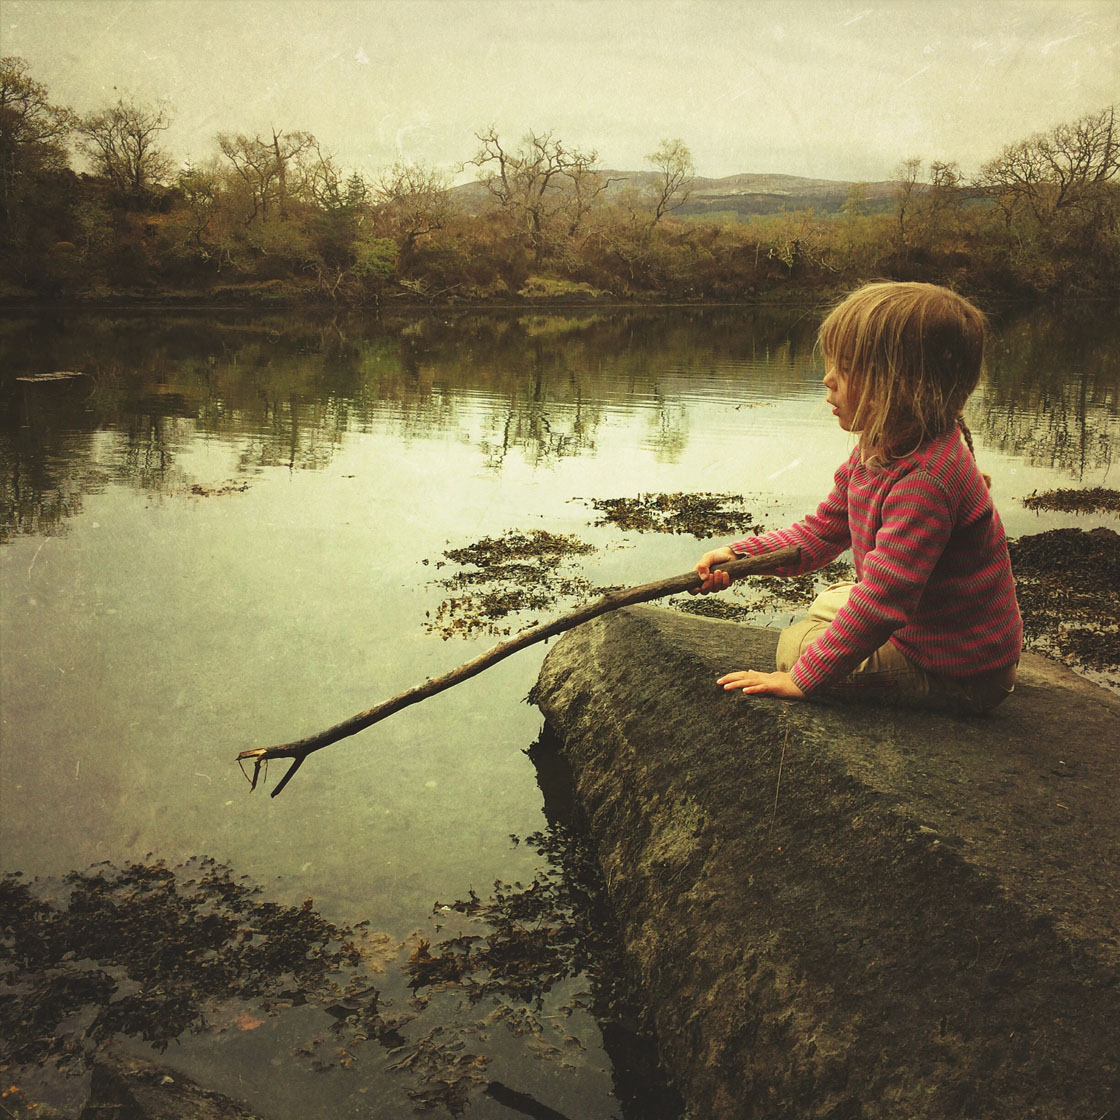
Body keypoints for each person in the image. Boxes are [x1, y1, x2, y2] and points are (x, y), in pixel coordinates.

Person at [694, 281, 1022, 714]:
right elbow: (818, 535)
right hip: (934, 628)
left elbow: (883, 601)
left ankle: (958, 680)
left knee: (795, 645)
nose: (827, 380)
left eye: (845, 369)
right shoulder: (883, 444)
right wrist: (738, 556)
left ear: (905, 385)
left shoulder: (925, 480)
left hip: (956, 668)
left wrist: (801, 678)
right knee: (833, 599)